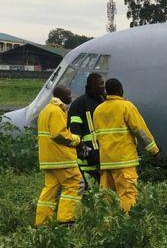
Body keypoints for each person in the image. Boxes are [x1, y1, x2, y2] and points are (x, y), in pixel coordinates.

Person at [93, 78, 159, 212]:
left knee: (107, 197)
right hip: (124, 161)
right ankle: (126, 223)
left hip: (106, 162)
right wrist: (154, 150)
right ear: (120, 90)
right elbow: (141, 131)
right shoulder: (126, 106)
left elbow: (97, 136)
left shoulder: (98, 110)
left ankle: (107, 226)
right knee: (128, 194)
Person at [35, 85, 83, 225]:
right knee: (75, 184)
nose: (70, 97)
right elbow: (58, 134)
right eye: (68, 95)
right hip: (61, 159)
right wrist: (77, 140)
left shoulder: (45, 111)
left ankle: (42, 223)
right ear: (61, 96)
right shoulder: (57, 111)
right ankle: (66, 220)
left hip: (49, 160)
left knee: (50, 191)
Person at [68, 72, 106, 186]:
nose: (103, 86)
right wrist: (84, 150)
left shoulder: (104, 102)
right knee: (87, 191)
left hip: (103, 157)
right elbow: (75, 131)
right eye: (100, 84)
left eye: (103, 83)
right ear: (91, 86)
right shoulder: (79, 104)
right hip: (87, 158)